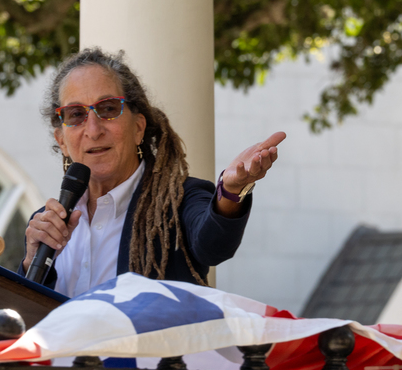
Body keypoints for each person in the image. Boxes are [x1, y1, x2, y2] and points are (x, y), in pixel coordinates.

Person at [19, 47, 285, 296]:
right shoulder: (47, 223)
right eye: (76, 114)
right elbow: (18, 322)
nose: (93, 129)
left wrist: (232, 190)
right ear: (61, 140)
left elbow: (213, 245)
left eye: (108, 109)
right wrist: (32, 260)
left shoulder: (178, 200)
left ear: (138, 128)